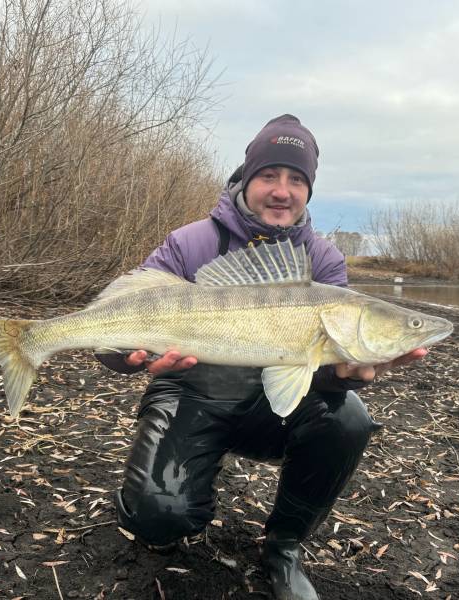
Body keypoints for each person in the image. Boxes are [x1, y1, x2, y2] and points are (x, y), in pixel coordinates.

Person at [98, 114, 426, 600]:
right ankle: (163, 498)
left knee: (349, 419)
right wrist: (131, 361)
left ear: (309, 191)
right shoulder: (190, 242)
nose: (282, 190)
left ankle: (285, 546)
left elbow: (318, 375)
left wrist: (345, 376)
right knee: (158, 519)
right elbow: (111, 338)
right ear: (246, 180)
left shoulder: (324, 262)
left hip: (265, 406)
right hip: (190, 395)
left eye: (297, 180)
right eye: (269, 175)